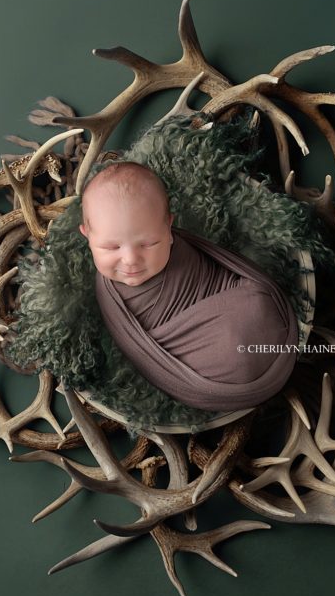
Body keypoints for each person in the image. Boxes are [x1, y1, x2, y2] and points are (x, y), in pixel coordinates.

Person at [79, 161, 298, 412]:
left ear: (169, 227)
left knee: (256, 305)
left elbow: (217, 274)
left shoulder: (182, 247)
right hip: (222, 373)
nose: (130, 260)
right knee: (235, 347)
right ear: (87, 234)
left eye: (149, 244)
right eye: (111, 247)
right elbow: (140, 350)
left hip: (255, 315)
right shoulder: (109, 295)